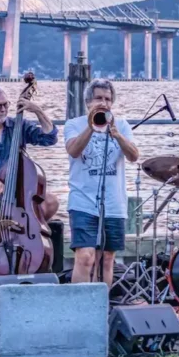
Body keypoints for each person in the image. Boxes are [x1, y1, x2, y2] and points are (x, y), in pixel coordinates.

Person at [0, 85, 59, 252]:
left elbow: (49, 138)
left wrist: (37, 110)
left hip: (19, 192)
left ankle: (24, 242)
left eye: (6, 105)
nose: (3, 109)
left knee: (51, 202)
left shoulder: (19, 126)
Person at [64, 79, 139, 287]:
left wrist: (116, 134)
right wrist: (90, 126)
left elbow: (134, 156)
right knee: (85, 257)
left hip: (113, 204)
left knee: (106, 260)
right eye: (99, 98)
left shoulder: (121, 125)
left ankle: (101, 309)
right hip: (83, 201)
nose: (103, 103)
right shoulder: (74, 124)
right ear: (88, 102)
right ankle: (79, 308)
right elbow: (73, 150)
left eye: (107, 99)